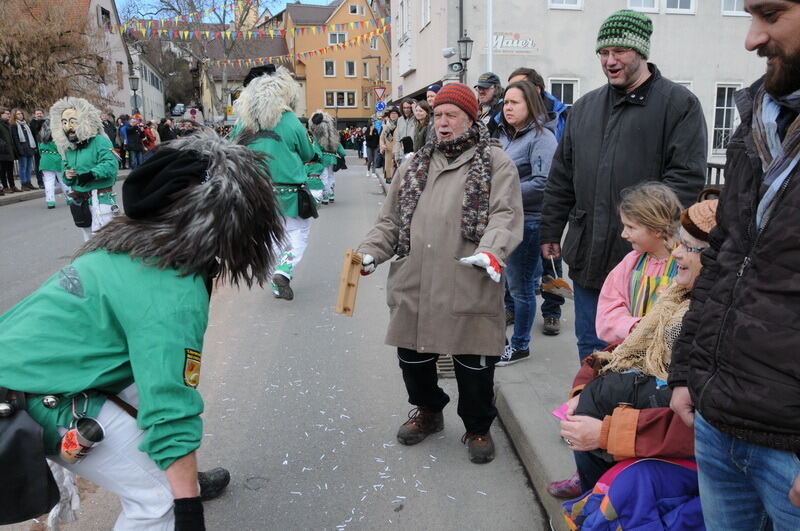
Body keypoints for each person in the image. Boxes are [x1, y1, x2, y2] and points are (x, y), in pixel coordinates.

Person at [0, 130, 285, 530]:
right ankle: (171, 485)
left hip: (27, 376)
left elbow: (154, 383)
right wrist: (187, 511)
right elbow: (170, 408)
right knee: (159, 499)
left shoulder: (119, 248)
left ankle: (172, 471)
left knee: (146, 386)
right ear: (231, 220)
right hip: (27, 400)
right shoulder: (171, 288)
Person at [669, 2, 800, 527]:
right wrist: (688, 374)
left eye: (770, 13)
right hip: (717, 421)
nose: (750, 39)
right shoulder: (760, 120)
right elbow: (725, 258)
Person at [356, 83, 523, 464]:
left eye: (452, 115)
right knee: (413, 360)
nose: (443, 123)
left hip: (470, 278)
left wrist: (491, 251)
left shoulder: (496, 163)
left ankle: (478, 427)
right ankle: (429, 412)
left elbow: (506, 214)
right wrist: (369, 253)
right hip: (416, 279)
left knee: (474, 365)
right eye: (438, 115)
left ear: (471, 118)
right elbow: (391, 221)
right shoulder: (414, 164)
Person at [540, 9, 707, 360]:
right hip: (588, 255)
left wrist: (647, 230)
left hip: (648, 264)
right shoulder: (584, 108)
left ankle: (630, 416)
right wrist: (551, 231)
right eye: (603, 53)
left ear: (641, 51)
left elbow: (686, 180)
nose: (610, 61)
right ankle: (593, 413)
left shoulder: (679, 105)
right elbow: (561, 177)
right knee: (591, 347)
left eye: (619, 52)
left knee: (643, 352)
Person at [551, 195, 717, 515]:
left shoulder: (707, 322)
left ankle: (600, 497)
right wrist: (583, 388)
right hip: (642, 407)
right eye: (678, 244)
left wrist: (605, 433)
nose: (677, 253)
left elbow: (688, 424)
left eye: (688, 247)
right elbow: (619, 341)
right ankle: (595, 494)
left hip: (663, 437)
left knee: (620, 474)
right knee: (587, 411)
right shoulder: (674, 297)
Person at [231, 65, 316, 301]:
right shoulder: (289, 120)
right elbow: (308, 153)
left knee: (273, 236)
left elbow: (231, 152)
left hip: (256, 191)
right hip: (289, 191)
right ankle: (283, 271)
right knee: (298, 233)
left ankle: (278, 282)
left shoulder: (243, 123)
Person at [494, 81, 558, 366]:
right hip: (505, 220)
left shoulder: (541, 137)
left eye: (514, 102)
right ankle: (504, 340)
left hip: (529, 223)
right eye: (506, 102)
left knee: (521, 289)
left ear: (530, 104)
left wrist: (501, 192)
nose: (508, 107)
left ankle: (520, 345)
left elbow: (543, 183)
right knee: (507, 287)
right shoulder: (509, 136)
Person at [596, 182, 682, 346]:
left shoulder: (684, 264)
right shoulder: (630, 263)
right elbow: (609, 307)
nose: (623, 234)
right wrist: (630, 326)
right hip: (633, 350)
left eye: (631, 227)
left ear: (657, 229)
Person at [51, 97, 119, 241]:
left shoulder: (100, 141)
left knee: (104, 242)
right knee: (88, 242)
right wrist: (67, 176)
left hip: (101, 200)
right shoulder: (68, 148)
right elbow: (65, 172)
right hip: (81, 203)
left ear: (84, 120)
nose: (68, 126)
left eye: (72, 121)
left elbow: (111, 164)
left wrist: (92, 174)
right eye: (64, 122)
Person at [308, 110, 346, 204]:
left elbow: (316, 147)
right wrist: (342, 153)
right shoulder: (333, 134)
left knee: (323, 177)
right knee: (331, 176)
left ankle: (325, 197)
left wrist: (317, 156)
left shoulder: (318, 135)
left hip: (323, 158)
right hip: (332, 158)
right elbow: (338, 145)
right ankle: (331, 195)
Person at [36, 119, 70, 209]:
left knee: (48, 182)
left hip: (45, 160)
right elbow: (62, 149)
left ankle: (50, 201)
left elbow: (39, 150)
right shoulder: (57, 136)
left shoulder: (40, 136)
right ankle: (69, 198)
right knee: (63, 180)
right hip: (57, 160)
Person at [10, 108, 38, 191]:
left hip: (29, 148)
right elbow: (15, 140)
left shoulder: (25, 124)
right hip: (22, 150)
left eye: (21, 113)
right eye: (18, 114)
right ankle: (24, 184)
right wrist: (20, 150)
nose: (20, 115)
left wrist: (33, 148)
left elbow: (30, 138)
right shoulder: (14, 125)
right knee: (23, 167)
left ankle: (29, 183)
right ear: (14, 116)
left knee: (29, 167)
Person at [475, 72, 504, 138]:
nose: (481, 92)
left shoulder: (502, 108)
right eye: (479, 88)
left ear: (496, 89)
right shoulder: (477, 107)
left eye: (485, 88)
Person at [394, 98, 418, 169]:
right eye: (404, 108)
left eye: (408, 108)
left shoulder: (416, 119)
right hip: (402, 154)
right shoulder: (400, 120)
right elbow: (397, 139)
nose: (406, 110)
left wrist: (415, 110)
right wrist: (397, 156)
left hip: (413, 153)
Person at [379, 107, 399, 183]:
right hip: (388, 150)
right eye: (392, 113)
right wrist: (382, 145)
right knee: (388, 166)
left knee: (396, 166)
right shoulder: (385, 126)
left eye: (395, 113)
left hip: (397, 150)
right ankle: (389, 178)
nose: (393, 115)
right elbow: (381, 138)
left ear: (398, 115)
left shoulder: (400, 125)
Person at [0, 107, 17, 194]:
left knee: (10, 170)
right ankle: (5, 187)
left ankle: (12, 186)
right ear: (1, 114)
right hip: (3, 152)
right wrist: (3, 144)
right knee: (3, 171)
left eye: (9, 114)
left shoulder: (8, 124)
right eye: (7, 113)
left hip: (10, 151)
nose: (9, 115)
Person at [30, 109, 46, 189]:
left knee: (47, 165)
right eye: (37, 114)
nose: (39, 115)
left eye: (40, 113)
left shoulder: (46, 122)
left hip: (47, 147)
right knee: (38, 165)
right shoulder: (32, 123)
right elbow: (34, 133)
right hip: (37, 147)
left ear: (42, 114)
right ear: (35, 115)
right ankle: (40, 182)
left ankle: (49, 181)